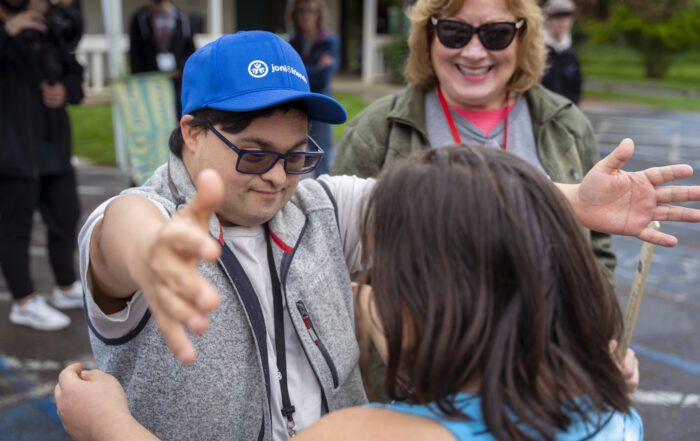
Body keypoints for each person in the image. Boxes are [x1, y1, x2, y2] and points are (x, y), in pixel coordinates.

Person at [59, 30, 700, 441]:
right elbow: (121, 229)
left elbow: (446, 212)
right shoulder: (144, 218)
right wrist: (151, 257)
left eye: (297, 153)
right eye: (254, 154)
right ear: (192, 130)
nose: (279, 178)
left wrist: (573, 201)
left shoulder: (315, 203)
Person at [57, 145, 650, 441]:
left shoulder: (366, 433)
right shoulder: (611, 409)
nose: (364, 290)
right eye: (255, 151)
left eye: (381, 272)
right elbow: (125, 217)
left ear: (434, 300)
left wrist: (108, 425)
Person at [331, 0, 615, 278]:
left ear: (522, 37)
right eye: (454, 32)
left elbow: (597, 252)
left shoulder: (568, 124)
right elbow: (335, 257)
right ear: (428, 35)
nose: (474, 52)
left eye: (497, 34)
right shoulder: (376, 131)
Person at [0, 0, 84, 331]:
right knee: (14, 228)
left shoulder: (44, 27)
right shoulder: (11, 30)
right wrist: (8, 31)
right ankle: (24, 301)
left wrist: (66, 91)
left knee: (65, 216)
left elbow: (73, 69)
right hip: (12, 150)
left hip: (53, 146)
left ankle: (65, 287)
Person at [287, 0, 340, 176]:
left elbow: (322, 78)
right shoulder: (292, 42)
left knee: (322, 156)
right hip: (297, 105)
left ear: (319, 14)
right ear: (295, 15)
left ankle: (323, 197)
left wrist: (299, 71)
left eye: (311, 11)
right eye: (301, 11)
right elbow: (288, 77)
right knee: (292, 154)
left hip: (319, 104)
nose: (306, 16)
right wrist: (314, 68)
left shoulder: (329, 41)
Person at [128, 0, 196, 117]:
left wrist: (179, 70)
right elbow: (135, 52)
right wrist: (139, 79)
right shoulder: (140, 18)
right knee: (153, 117)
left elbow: (190, 50)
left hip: (177, 82)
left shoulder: (182, 18)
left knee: (178, 117)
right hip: (150, 81)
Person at [541, 0, 582, 104]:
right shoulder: (538, 51)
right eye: (557, 17)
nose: (562, 22)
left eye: (566, 17)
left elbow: (576, 87)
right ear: (547, 19)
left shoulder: (570, 54)